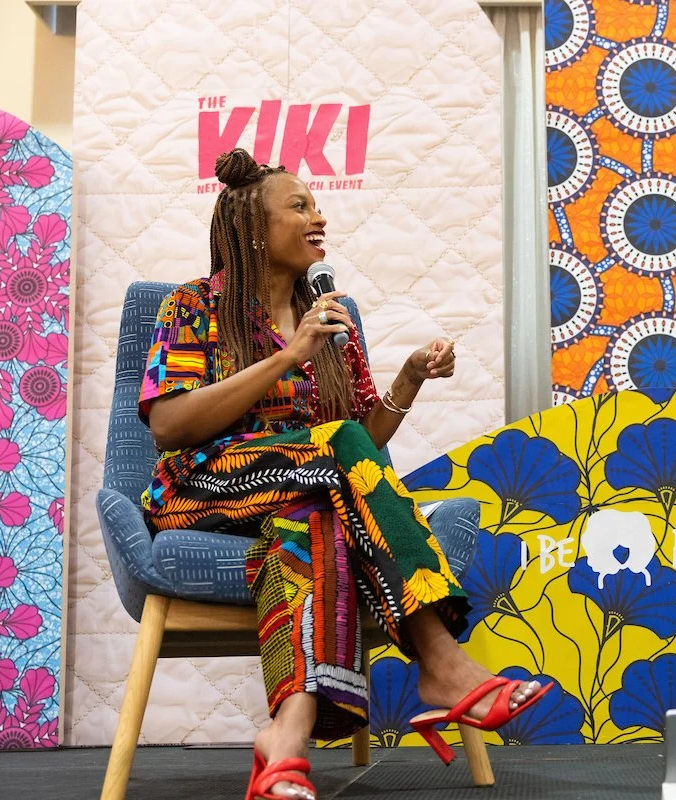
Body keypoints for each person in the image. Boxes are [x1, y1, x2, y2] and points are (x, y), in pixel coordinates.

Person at [139, 148, 549, 800]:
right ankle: (440, 659)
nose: (318, 217)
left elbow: (364, 447)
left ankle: (287, 741)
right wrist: (289, 355)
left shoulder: (332, 318)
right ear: (252, 227)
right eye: (299, 206)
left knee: (315, 517)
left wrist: (408, 381)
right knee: (332, 459)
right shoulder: (195, 306)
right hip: (202, 485)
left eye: (317, 204)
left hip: (301, 488)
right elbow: (168, 425)